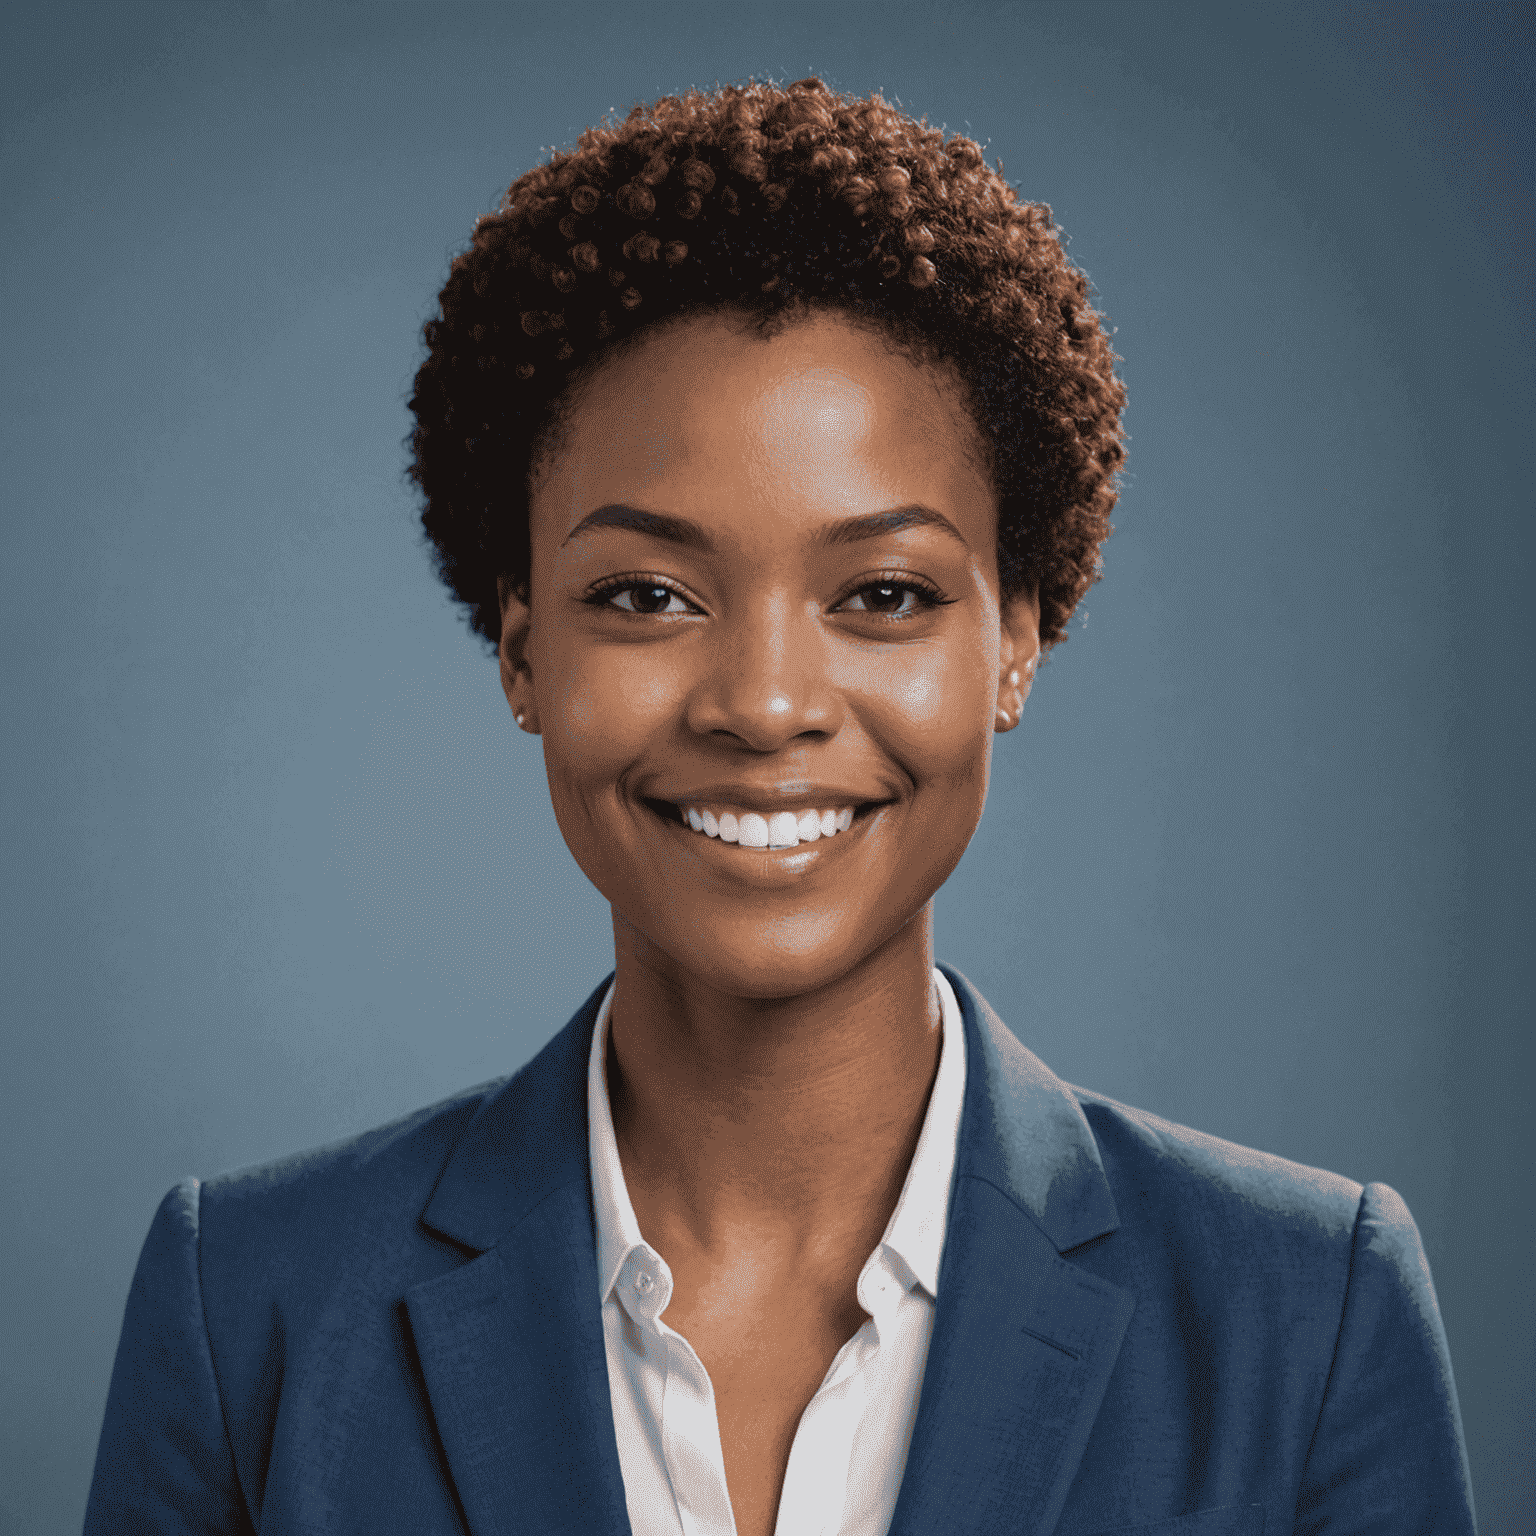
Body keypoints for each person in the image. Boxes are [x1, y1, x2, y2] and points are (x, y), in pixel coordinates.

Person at [84, 78, 1475, 1536]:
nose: (763, 702)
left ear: (1015, 640)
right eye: (645, 596)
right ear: (523, 654)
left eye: (883, 595)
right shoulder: (248, 1307)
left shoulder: (1309, 1318)